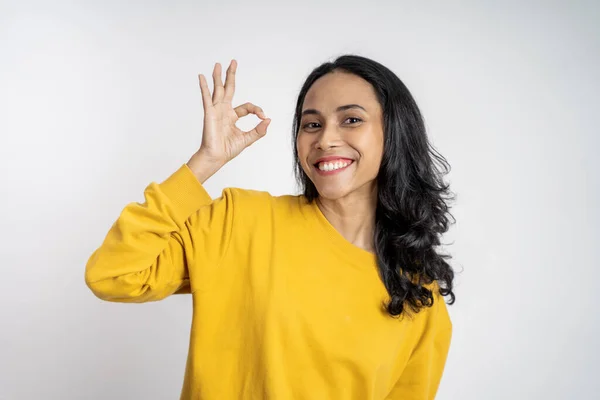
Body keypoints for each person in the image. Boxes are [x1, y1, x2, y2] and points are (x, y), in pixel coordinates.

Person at [85, 54, 456, 400]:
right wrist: (205, 162)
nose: (325, 139)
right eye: (312, 124)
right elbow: (113, 275)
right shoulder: (240, 221)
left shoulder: (420, 295)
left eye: (351, 119)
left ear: (395, 134)